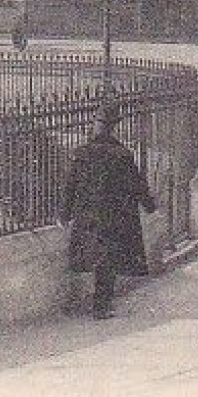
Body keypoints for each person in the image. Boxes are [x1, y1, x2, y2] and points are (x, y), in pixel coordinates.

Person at [62, 102, 157, 319]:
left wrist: (64, 214)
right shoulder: (122, 154)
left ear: (95, 125)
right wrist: (149, 206)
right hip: (114, 214)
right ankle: (101, 306)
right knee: (108, 260)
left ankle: (88, 304)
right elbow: (137, 184)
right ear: (114, 127)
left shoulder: (81, 153)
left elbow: (70, 186)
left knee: (90, 256)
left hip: (87, 213)